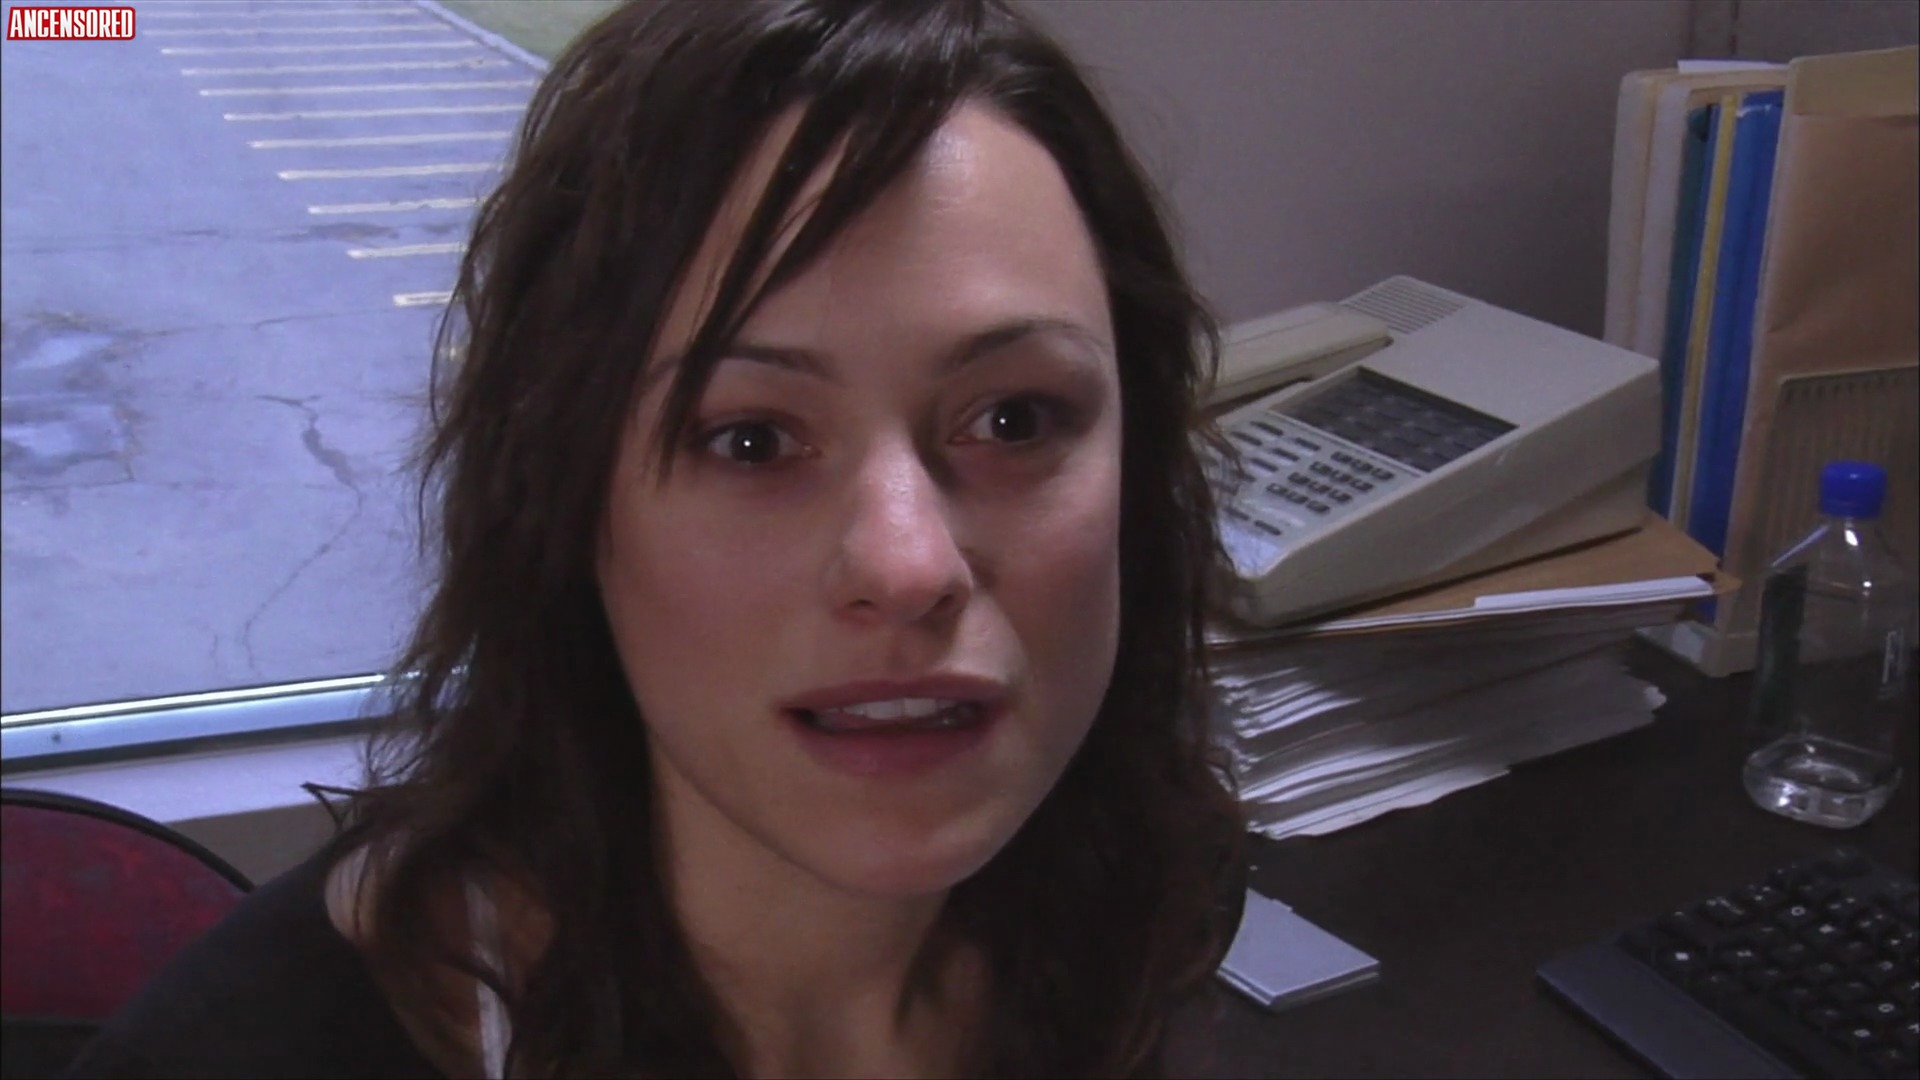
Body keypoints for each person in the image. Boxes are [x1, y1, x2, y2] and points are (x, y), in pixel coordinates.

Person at [68, 1, 1246, 1076]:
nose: (907, 566)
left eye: (1014, 420)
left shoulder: (1159, 910)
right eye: (753, 441)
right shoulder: (246, 1053)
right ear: (569, 501)